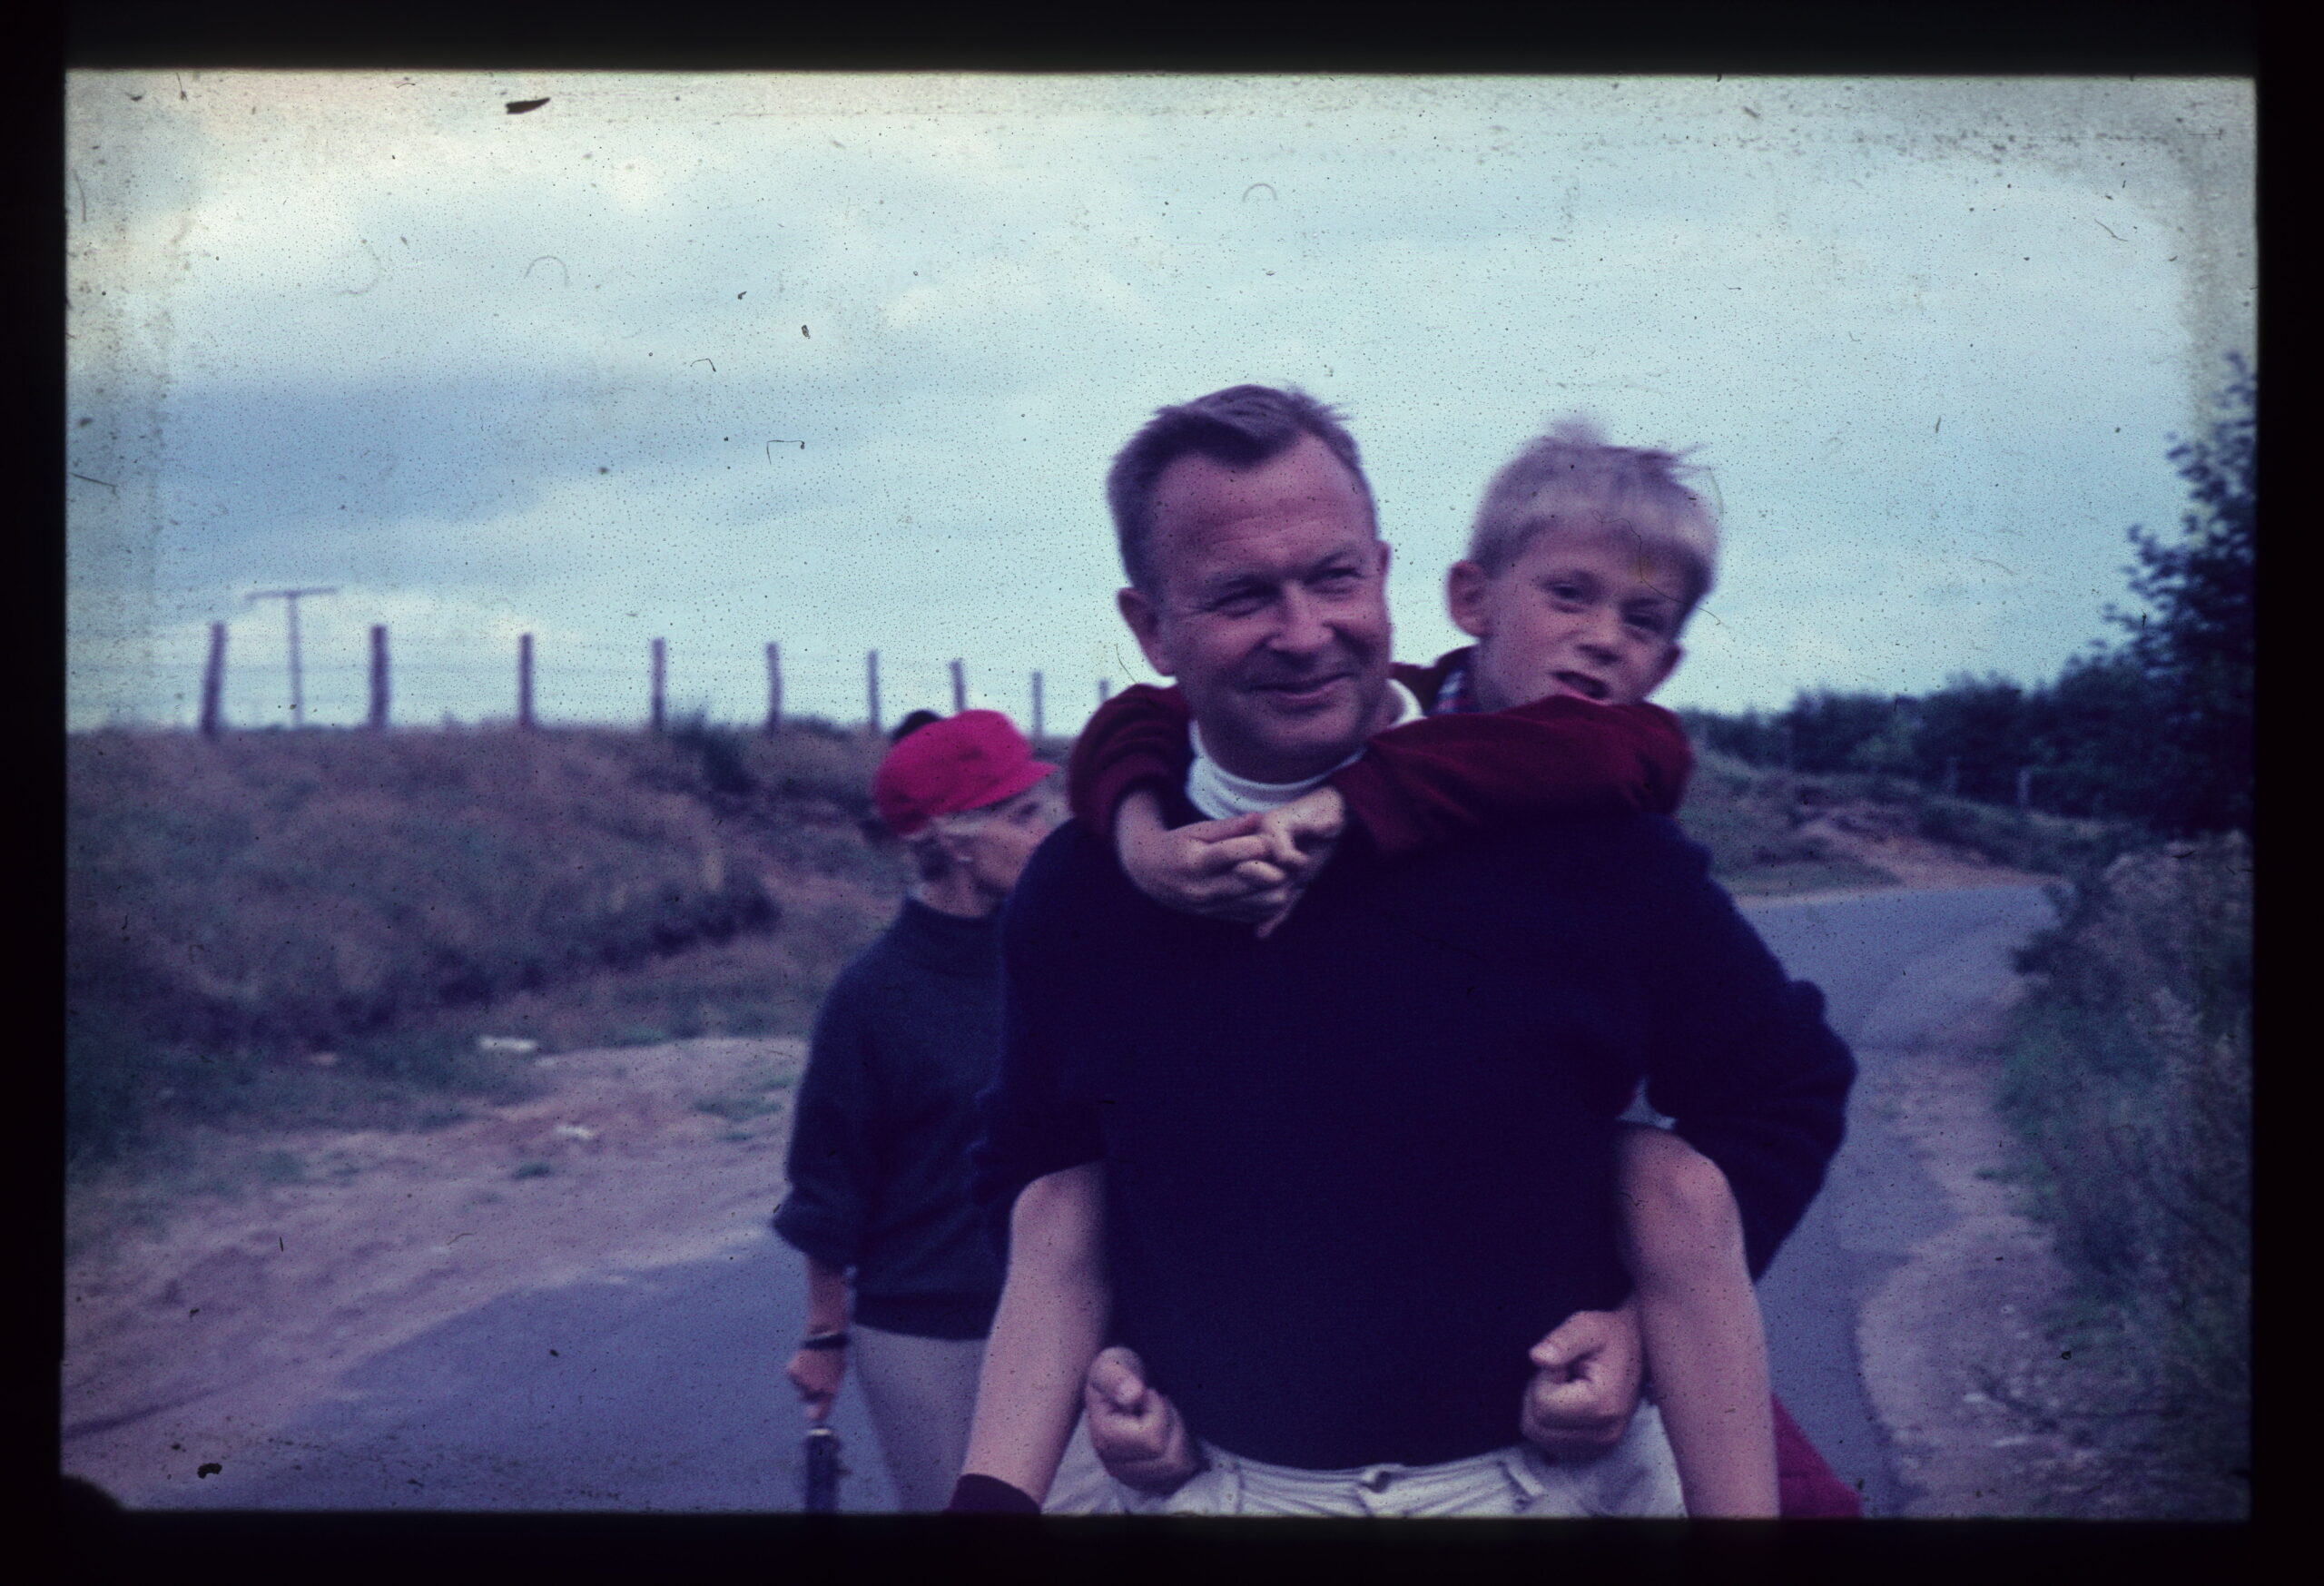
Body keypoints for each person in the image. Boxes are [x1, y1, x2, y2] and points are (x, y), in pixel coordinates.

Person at [950, 385, 1854, 1517]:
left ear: (1382, 571)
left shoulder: (1583, 842)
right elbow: (1031, 1174)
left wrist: (1641, 1334)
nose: (1303, 632)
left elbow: (1782, 1091)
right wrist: (1112, 1357)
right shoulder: (1084, 888)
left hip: (1558, 1493)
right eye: (1241, 595)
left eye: (1332, 577)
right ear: (1150, 627)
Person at [771, 708, 1065, 1512]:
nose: (1045, 833)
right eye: (1024, 815)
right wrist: (825, 1333)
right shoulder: (872, 996)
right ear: (958, 838)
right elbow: (828, 1183)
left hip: (1063, 1317)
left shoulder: (1057, 960)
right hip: (928, 1335)